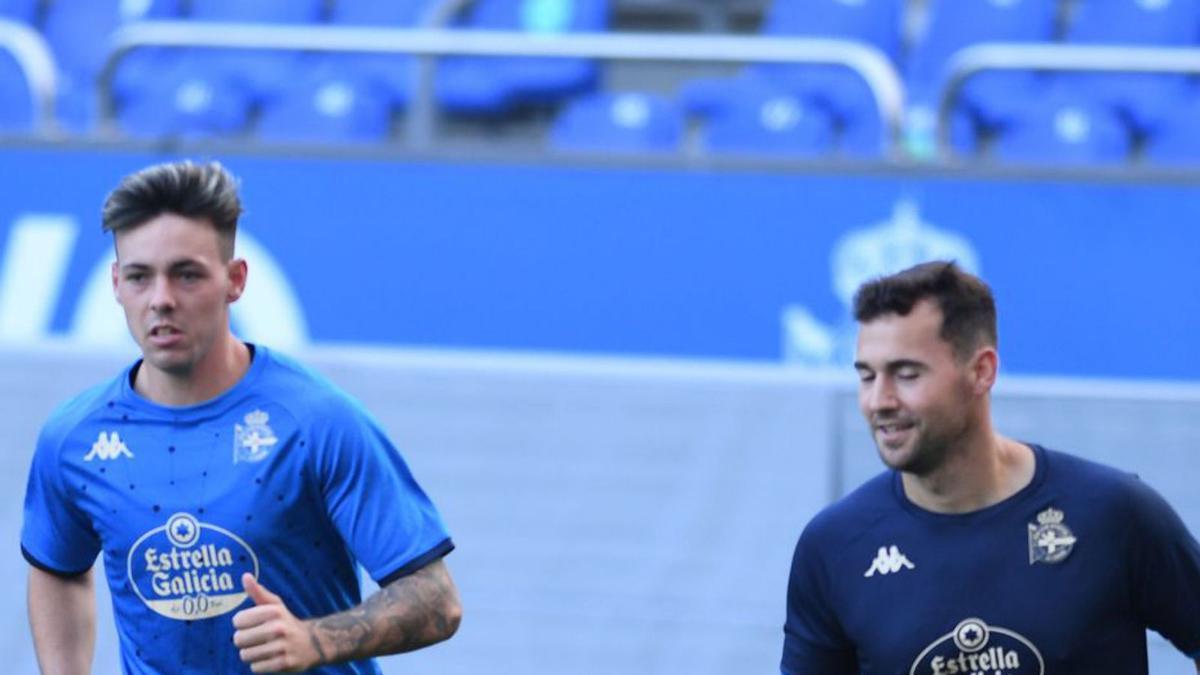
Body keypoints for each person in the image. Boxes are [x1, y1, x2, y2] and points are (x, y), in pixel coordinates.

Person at [21, 160, 462, 674]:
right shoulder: (74, 439)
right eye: (140, 277)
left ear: (235, 280)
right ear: (117, 284)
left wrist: (314, 640)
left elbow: (436, 600)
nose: (161, 300)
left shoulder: (316, 422)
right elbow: (59, 568)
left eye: (186, 275)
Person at [781, 260, 1200, 674]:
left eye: (906, 374)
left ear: (982, 371)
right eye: (867, 377)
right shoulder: (835, 546)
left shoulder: (1113, 514)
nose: (879, 401)